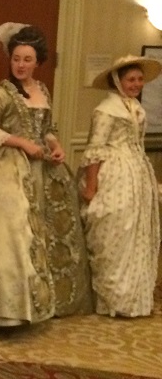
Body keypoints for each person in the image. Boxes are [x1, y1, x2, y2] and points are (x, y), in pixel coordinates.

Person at [0, 24, 93, 326]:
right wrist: (23, 143)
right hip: (7, 167)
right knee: (12, 233)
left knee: (48, 231)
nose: (20, 65)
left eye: (27, 59)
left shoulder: (42, 90)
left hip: (43, 168)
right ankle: (6, 308)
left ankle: (46, 300)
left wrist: (56, 147)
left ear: (37, 62)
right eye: (16, 58)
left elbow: (50, 129)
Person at [80, 55, 161, 317]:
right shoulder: (107, 109)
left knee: (135, 232)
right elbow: (95, 149)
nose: (136, 84)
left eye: (139, 79)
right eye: (130, 79)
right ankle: (112, 298)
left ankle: (132, 298)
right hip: (113, 173)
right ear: (118, 81)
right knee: (114, 229)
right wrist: (91, 187)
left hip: (135, 173)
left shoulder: (135, 107)